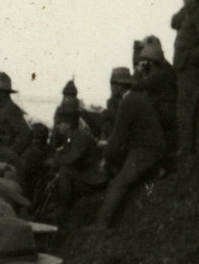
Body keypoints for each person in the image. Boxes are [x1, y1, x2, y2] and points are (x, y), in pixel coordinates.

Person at [91, 64, 167, 229]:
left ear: (119, 86)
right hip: (149, 146)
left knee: (119, 182)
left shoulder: (129, 101)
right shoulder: (136, 97)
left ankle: (101, 225)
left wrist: (105, 158)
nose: (111, 87)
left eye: (112, 84)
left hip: (147, 150)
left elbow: (118, 136)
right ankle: (157, 169)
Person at [41, 101, 105, 227]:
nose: (57, 127)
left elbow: (72, 159)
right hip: (85, 174)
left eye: (60, 123)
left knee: (65, 172)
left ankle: (64, 208)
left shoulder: (80, 137)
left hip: (93, 178)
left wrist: (54, 162)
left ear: (68, 124)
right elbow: (64, 153)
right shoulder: (72, 136)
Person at [171, 0, 199, 155]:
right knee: (187, 109)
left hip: (193, 70)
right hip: (185, 69)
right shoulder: (188, 12)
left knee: (187, 110)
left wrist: (188, 59)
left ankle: (187, 148)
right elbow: (174, 21)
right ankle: (192, 147)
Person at [132, 35, 178, 154]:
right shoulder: (162, 67)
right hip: (163, 113)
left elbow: (137, 86)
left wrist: (138, 70)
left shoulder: (162, 70)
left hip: (164, 114)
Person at [0, 73, 30, 155]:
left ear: (3, 93)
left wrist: (10, 154)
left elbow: (25, 135)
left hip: (3, 159)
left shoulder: (11, 110)